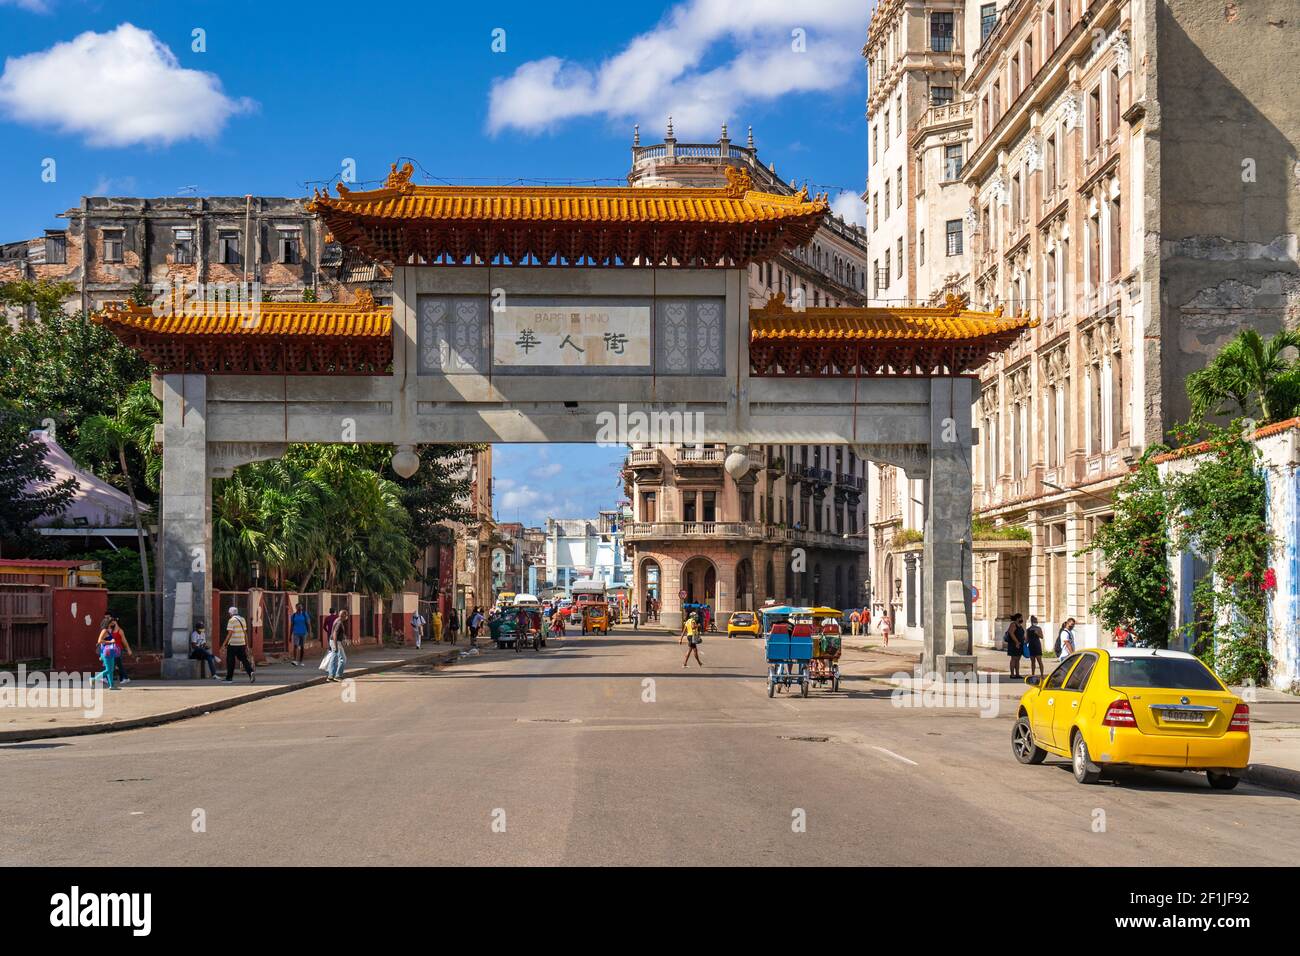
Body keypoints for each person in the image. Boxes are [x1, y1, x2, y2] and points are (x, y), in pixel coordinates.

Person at [222, 605, 255, 683]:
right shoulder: (243, 619)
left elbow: (229, 634)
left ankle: (229, 678)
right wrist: (247, 645)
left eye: (229, 613)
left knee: (230, 661)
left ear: (231, 613)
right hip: (241, 643)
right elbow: (245, 633)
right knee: (244, 659)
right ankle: (250, 672)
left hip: (233, 644)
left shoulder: (231, 620)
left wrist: (224, 644)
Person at [94, 625, 120, 690]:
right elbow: (99, 641)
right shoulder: (104, 630)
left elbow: (117, 629)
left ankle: (111, 685)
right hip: (106, 652)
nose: (113, 623)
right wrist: (111, 641)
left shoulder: (109, 630)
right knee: (109, 670)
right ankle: (94, 679)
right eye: (111, 622)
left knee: (111, 669)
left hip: (110, 651)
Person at [326, 608, 350, 681]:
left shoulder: (338, 620)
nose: (347, 617)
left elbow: (340, 633)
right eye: (346, 615)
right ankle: (338, 676)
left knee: (334, 658)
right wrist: (336, 646)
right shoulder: (339, 622)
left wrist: (345, 638)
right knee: (343, 659)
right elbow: (335, 634)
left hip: (333, 641)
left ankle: (330, 676)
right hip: (335, 642)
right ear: (344, 616)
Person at [1004, 613, 1025, 678]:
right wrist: (1017, 642)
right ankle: (1012, 674)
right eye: (1021, 618)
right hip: (1014, 644)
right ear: (1017, 618)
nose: (1022, 619)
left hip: (1020, 644)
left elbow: (1021, 634)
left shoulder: (1020, 625)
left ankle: (1017, 674)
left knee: (1018, 659)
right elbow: (1011, 633)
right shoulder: (1013, 624)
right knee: (1013, 659)